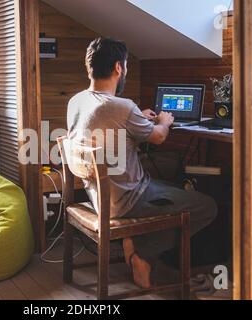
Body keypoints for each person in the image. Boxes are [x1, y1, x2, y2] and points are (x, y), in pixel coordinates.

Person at [67, 37, 217, 289]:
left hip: (98, 195)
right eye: (125, 66)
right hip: (126, 200)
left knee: (167, 178)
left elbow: (110, 132)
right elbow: (158, 137)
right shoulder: (122, 106)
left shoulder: (77, 101)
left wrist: (140, 118)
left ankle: (135, 241)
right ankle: (141, 252)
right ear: (118, 68)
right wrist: (165, 121)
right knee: (207, 205)